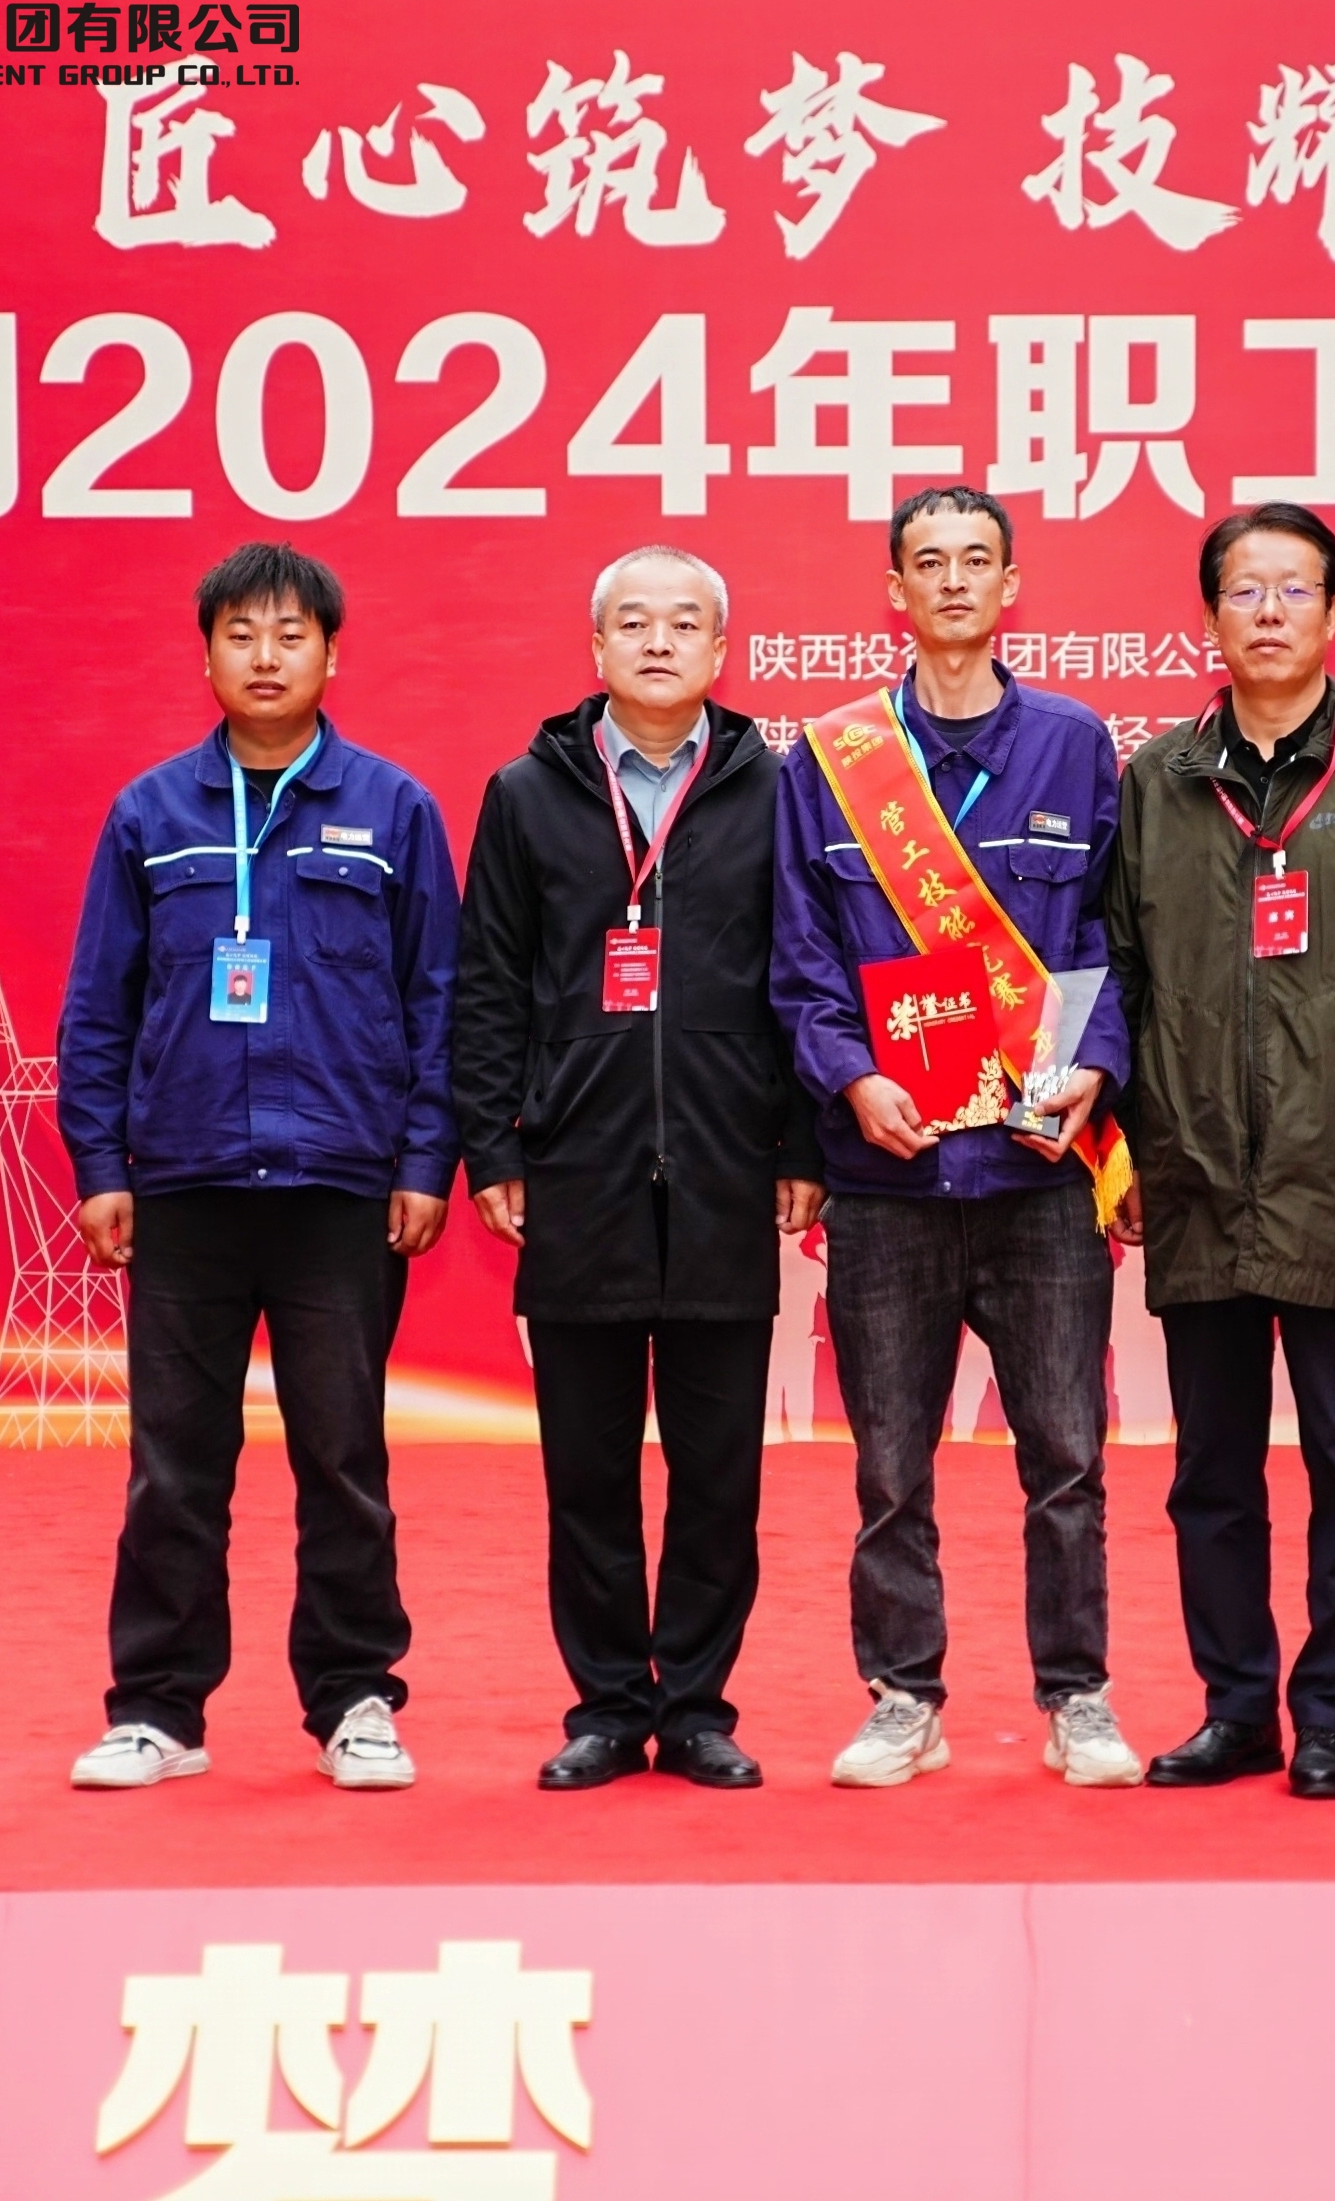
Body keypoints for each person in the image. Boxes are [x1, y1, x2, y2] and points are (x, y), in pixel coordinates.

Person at [57, 542, 458, 1794]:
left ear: (332, 654)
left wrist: (424, 1157)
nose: (267, 656)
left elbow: (438, 1000)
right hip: (184, 1185)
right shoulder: (150, 814)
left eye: (291, 635)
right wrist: (101, 1160)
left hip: (341, 1186)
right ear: (208, 656)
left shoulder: (392, 809)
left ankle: (355, 1699)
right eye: (241, 634)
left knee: (343, 1459)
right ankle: (156, 1709)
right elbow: (99, 1003)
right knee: (175, 1464)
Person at [770, 487, 1144, 1790]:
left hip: (1038, 1176)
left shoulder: (1075, 746)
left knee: (1067, 1460)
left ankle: (1077, 1696)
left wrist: (1094, 1067)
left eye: (974, 559)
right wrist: (851, 1081)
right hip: (889, 1175)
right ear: (894, 589)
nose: (950, 581)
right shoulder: (827, 761)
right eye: (926, 562)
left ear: (1009, 583)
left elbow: (1109, 939)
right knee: (889, 1467)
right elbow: (801, 962)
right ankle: (902, 1697)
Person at [1105, 502, 1335, 1801]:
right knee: (1208, 1473)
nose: (1267, 612)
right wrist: (1126, 1151)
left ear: (1334, 612)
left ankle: (1330, 1720)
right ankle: (1234, 1711)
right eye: (1243, 590)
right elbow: (1121, 979)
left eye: (1292, 589)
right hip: (1196, 1171)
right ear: (1208, 616)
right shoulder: (1157, 779)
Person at [453, 545, 824, 1792]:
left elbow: (806, 979)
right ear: (595, 648)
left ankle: (699, 1707)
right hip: (578, 1170)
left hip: (725, 1169)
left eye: (682, 624)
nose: (657, 642)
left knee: (719, 1476)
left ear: (720, 651)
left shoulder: (778, 790)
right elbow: (488, 983)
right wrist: (494, 1142)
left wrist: (801, 1141)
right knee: (587, 1475)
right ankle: (609, 1707)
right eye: (632, 622)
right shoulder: (526, 794)